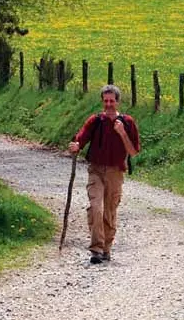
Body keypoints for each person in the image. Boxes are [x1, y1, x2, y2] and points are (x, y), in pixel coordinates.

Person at [69, 84, 140, 264]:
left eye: (112, 101)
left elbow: (133, 152)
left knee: (109, 211)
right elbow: (82, 137)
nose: (108, 104)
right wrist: (76, 146)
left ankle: (106, 248)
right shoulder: (95, 121)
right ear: (102, 101)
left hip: (116, 172)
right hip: (96, 170)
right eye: (106, 100)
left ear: (117, 102)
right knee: (96, 208)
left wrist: (122, 133)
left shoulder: (127, 122)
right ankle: (96, 249)